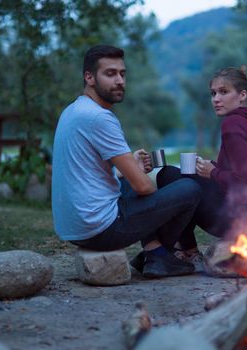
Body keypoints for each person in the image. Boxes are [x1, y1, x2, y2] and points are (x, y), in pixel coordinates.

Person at [51, 44, 202, 278]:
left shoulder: (73, 110)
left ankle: (154, 252)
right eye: (110, 74)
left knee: (129, 181)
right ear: (89, 78)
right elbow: (143, 187)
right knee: (190, 188)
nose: (120, 80)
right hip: (100, 230)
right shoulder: (99, 117)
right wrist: (141, 177)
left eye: (122, 74)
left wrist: (128, 170)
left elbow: (87, 175)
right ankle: (159, 256)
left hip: (74, 228)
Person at [157, 67, 247, 270]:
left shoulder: (232, 123)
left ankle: (189, 252)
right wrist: (213, 167)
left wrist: (212, 172)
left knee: (169, 175)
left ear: (242, 95)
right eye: (213, 93)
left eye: (224, 92)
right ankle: (181, 249)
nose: (216, 99)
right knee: (187, 177)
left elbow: (246, 182)